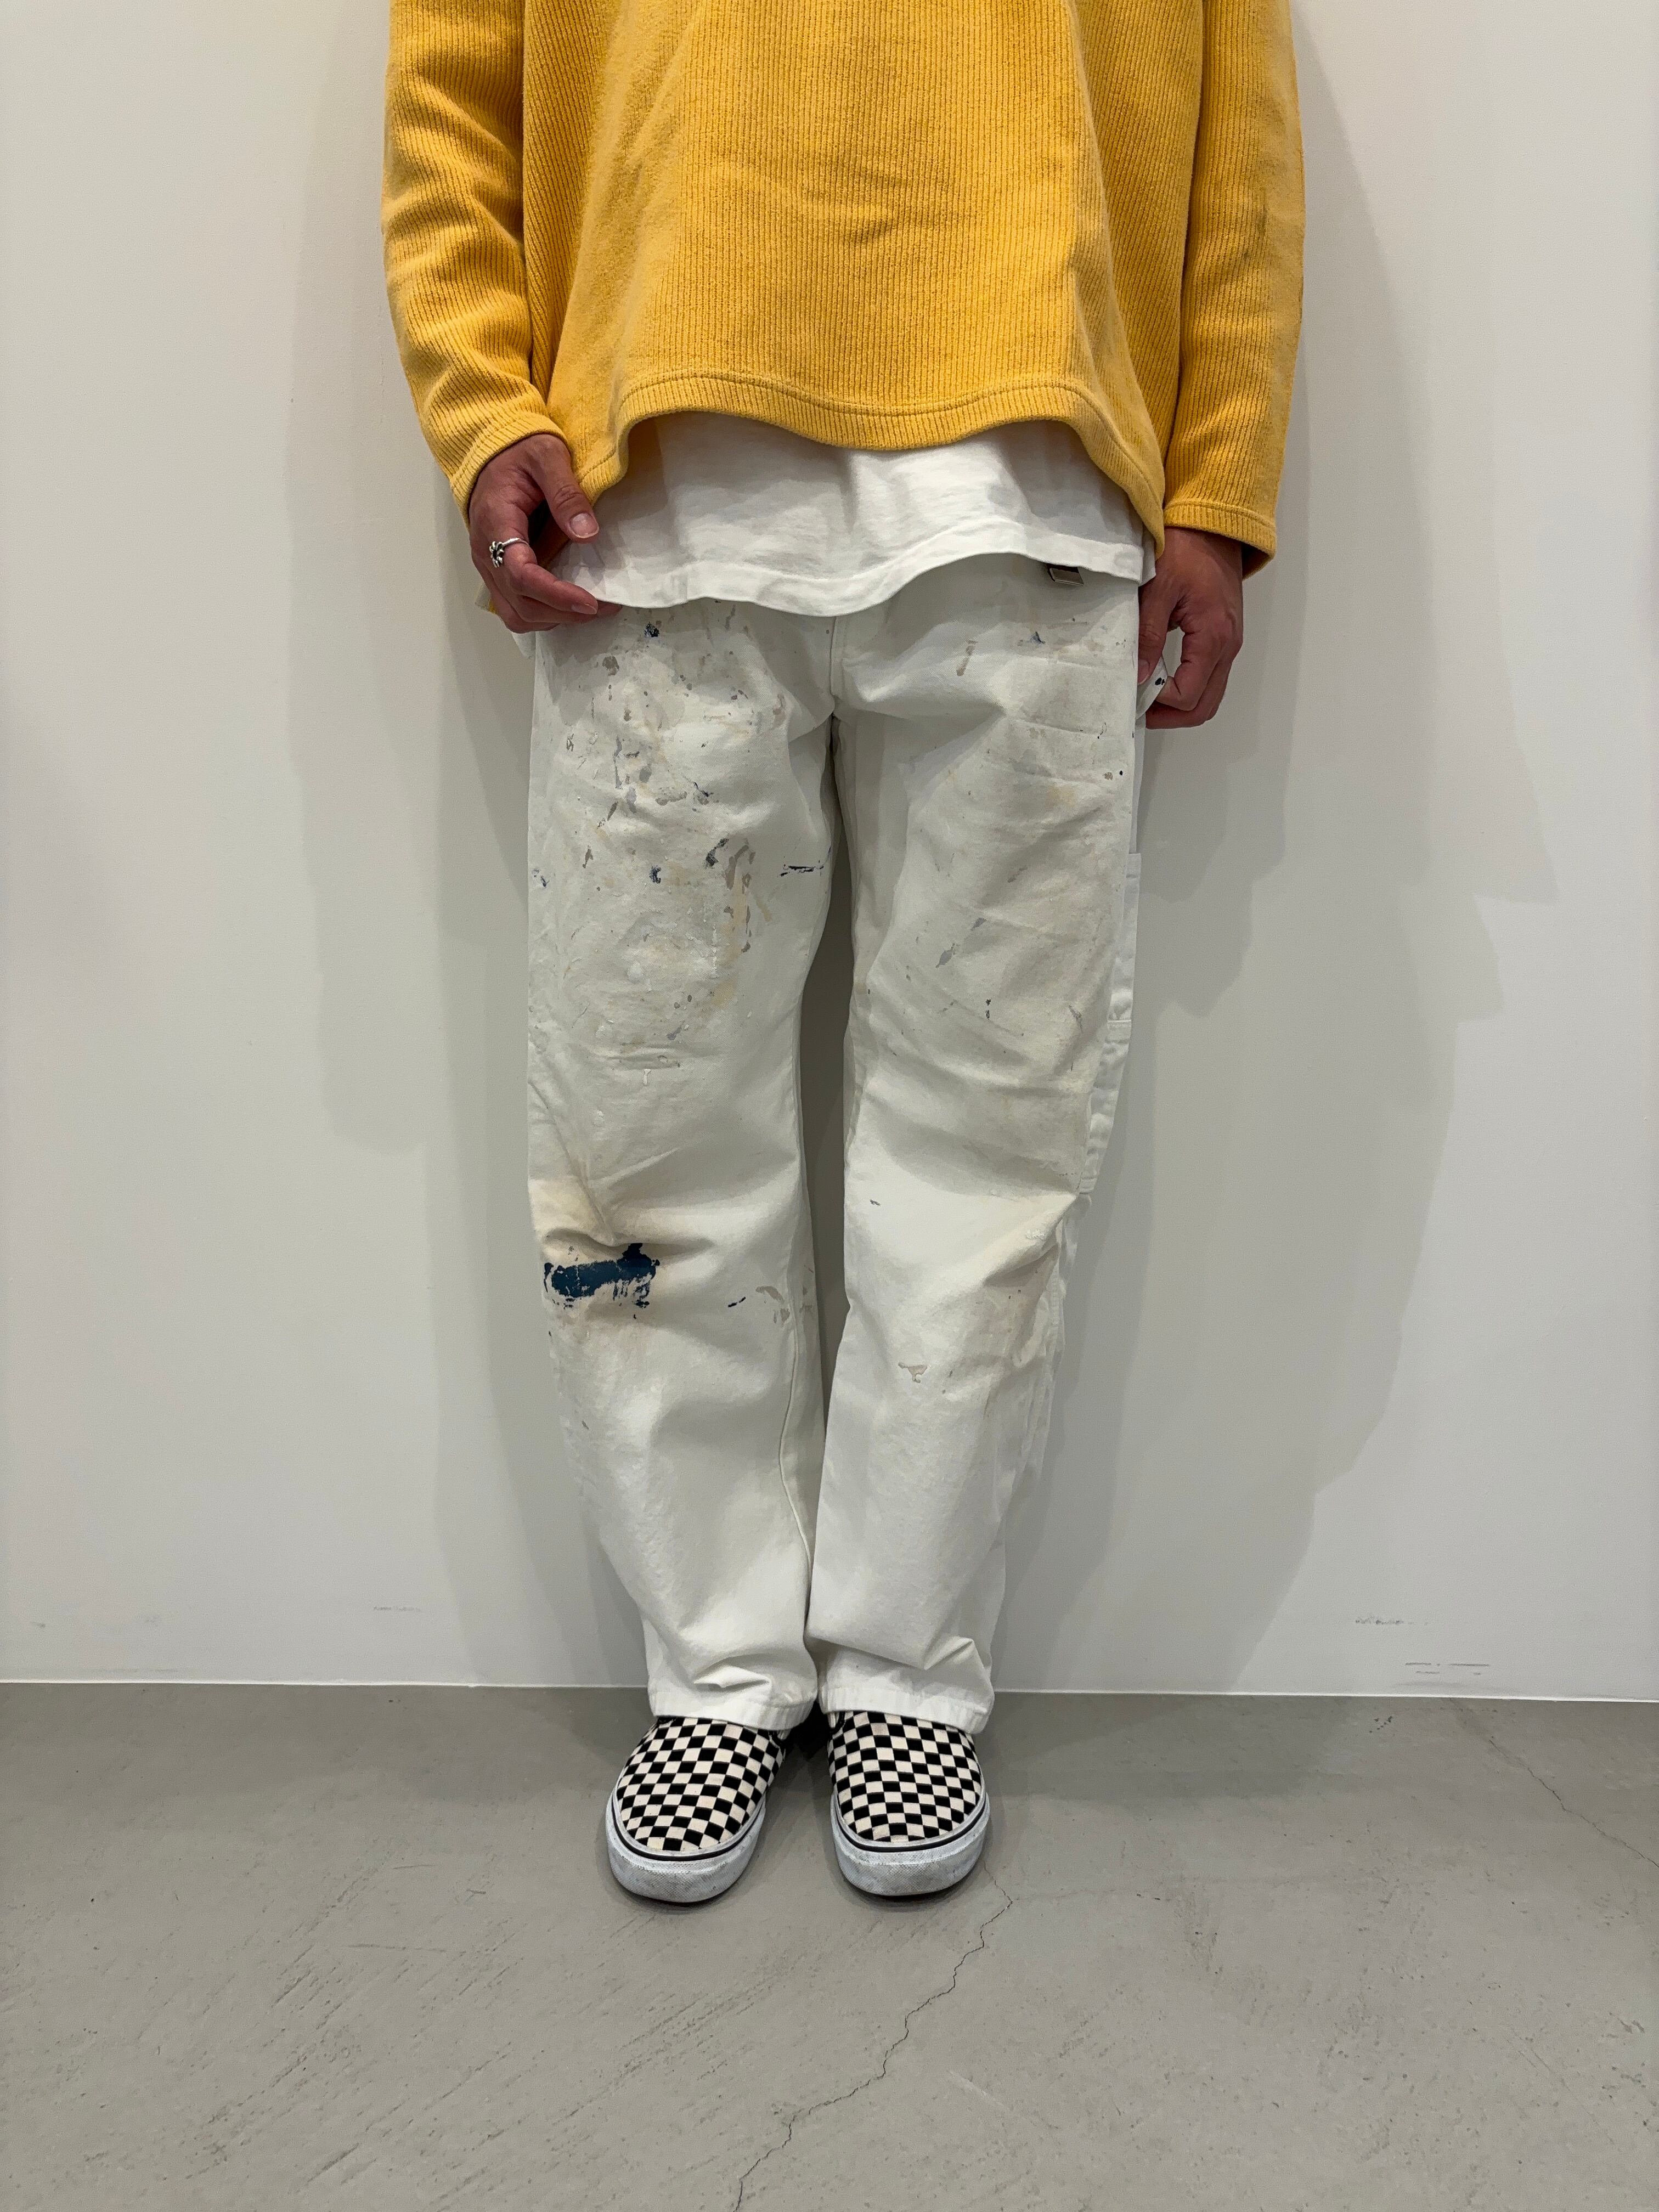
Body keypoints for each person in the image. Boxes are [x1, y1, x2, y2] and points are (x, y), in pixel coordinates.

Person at [382, 0, 1303, 1905]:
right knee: (647, 1144)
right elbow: (452, 82)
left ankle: (904, 1664)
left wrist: (1222, 480)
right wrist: (480, 399)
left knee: (989, 1142)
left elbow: (1240, 134)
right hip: (650, 506)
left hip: (1035, 498)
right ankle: (720, 1665)